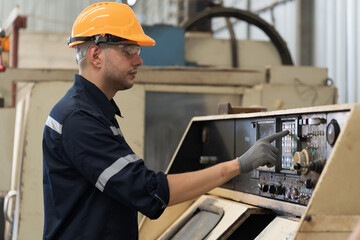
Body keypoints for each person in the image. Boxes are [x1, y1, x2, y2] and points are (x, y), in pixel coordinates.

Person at [42, 2, 288, 239]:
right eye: (128, 51)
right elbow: (148, 191)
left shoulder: (93, 112)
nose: (138, 60)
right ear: (96, 55)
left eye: (137, 52)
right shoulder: (79, 118)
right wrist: (239, 165)